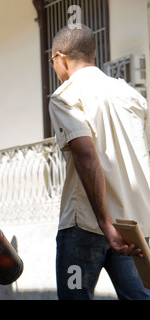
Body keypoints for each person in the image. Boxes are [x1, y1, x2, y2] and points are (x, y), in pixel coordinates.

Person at [49, 24, 150, 300]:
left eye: (52, 61)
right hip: (134, 228)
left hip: (85, 226)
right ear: (92, 55)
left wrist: (106, 224)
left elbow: (86, 156)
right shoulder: (132, 95)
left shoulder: (65, 96)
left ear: (61, 58)